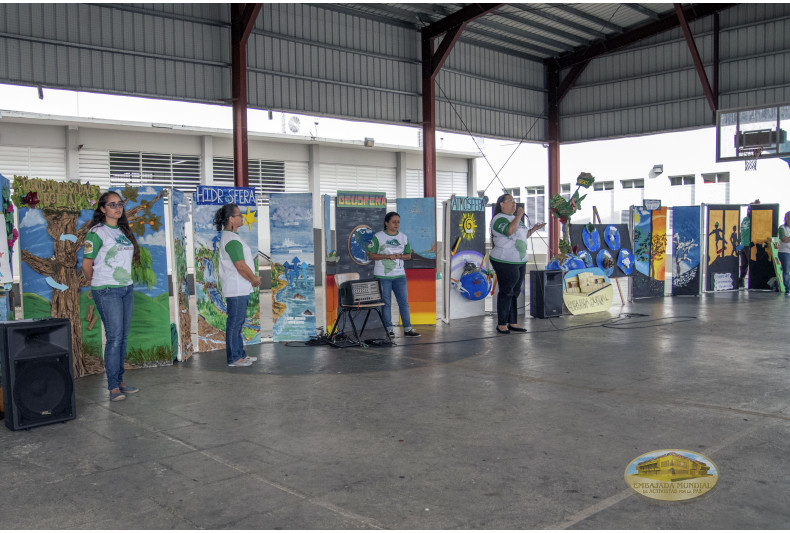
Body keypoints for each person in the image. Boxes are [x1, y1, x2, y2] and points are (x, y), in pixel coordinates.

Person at [82, 192, 140, 402]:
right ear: (103, 209)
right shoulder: (96, 233)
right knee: (114, 337)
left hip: (126, 289)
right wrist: (96, 283)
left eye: (120, 204)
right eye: (112, 204)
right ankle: (113, 387)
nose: (118, 207)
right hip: (107, 290)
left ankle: (120, 380)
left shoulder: (122, 231)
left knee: (122, 337)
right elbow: (86, 265)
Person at [489, 193, 545, 334]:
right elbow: (509, 231)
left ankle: (512, 322)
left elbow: (520, 235)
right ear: (501, 204)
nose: (514, 204)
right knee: (507, 290)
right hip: (504, 259)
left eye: (515, 201)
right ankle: (502, 323)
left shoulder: (515, 219)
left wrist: (533, 230)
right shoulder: (499, 218)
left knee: (515, 291)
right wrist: (519, 215)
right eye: (510, 201)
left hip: (519, 259)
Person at [214, 204, 262, 367]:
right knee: (235, 323)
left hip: (239, 287)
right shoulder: (232, 240)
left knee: (238, 322)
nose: (242, 218)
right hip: (236, 288)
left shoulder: (231, 237)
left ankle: (240, 354)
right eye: (239, 215)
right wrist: (254, 279)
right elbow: (240, 266)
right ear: (231, 219)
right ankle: (234, 358)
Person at [366, 211, 420, 337]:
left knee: (403, 302)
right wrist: (387, 256)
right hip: (383, 276)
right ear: (386, 223)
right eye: (393, 222)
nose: (396, 224)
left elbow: (409, 255)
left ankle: (408, 328)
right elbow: (371, 255)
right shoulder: (378, 237)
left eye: (398, 222)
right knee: (386, 303)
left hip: (400, 276)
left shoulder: (403, 237)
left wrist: (400, 256)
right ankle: (389, 329)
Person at [738, 200, 760, 288]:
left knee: (748, 264)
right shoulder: (746, 219)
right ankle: (741, 280)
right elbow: (742, 232)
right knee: (744, 264)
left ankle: (750, 282)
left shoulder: (755, 220)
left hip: (748, 245)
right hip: (743, 245)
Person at [778, 210, 790, 295]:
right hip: (784, 252)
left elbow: (787, 239)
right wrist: (786, 238)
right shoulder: (782, 227)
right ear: (785, 218)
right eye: (788, 216)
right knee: (786, 271)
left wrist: (788, 238)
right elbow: (783, 239)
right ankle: (787, 289)